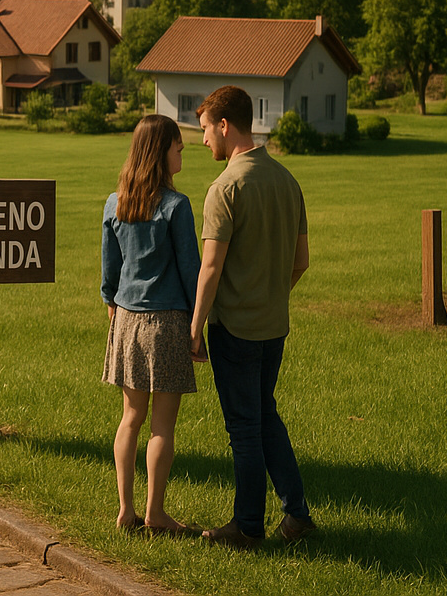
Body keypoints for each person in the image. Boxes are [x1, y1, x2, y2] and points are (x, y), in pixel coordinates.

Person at [189, 85, 317, 550]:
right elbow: (301, 261)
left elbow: (210, 266)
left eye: (205, 129)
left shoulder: (225, 187)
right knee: (265, 418)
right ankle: (297, 515)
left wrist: (196, 325)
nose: (202, 139)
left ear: (225, 126)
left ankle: (247, 526)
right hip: (274, 326)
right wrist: (270, 294)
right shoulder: (287, 180)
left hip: (235, 329)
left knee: (244, 429)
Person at [100, 114, 200, 536]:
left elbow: (109, 271)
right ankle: (155, 514)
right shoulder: (176, 206)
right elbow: (192, 271)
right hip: (167, 324)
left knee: (130, 417)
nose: (182, 152)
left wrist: (114, 307)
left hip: (125, 320)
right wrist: (199, 327)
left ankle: (125, 509)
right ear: (161, 152)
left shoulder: (114, 202)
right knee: (162, 425)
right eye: (178, 146)